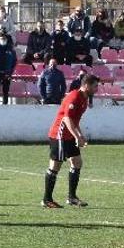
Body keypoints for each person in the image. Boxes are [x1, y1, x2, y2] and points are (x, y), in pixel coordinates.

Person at [43, 72, 99, 208]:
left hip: (69, 136)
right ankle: (47, 199)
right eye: (95, 86)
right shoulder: (74, 96)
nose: (97, 89)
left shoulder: (84, 98)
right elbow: (67, 119)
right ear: (86, 85)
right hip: (59, 135)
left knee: (77, 162)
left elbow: (75, 120)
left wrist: (80, 134)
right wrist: (77, 137)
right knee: (55, 166)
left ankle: (72, 197)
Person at [0, 32, 18, 104]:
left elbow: (14, 61)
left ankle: (5, 105)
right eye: (1, 39)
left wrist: (10, 72)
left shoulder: (11, 49)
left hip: (7, 73)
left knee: (5, 91)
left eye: (4, 39)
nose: (3, 40)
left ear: (6, 40)